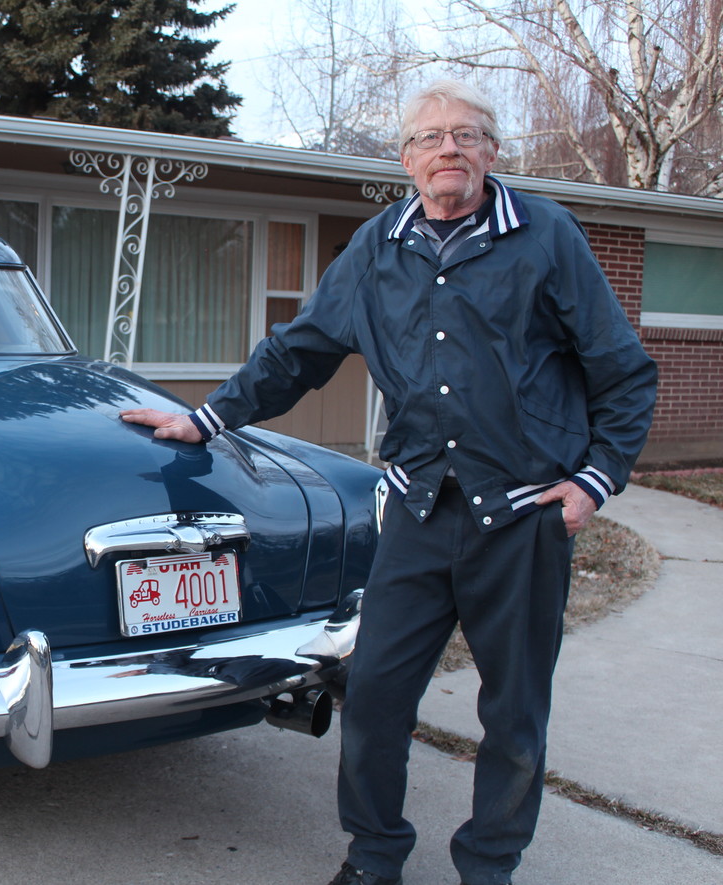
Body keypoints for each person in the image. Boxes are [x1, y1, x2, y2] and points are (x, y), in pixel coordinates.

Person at [120, 79, 657, 885]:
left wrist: (593, 480)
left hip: (522, 514)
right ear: (405, 159)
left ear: (492, 151)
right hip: (417, 508)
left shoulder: (547, 236)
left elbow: (624, 372)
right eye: (432, 137)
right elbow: (300, 349)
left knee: (513, 711)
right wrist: (206, 420)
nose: (450, 149)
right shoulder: (377, 246)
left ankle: (489, 865)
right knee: (373, 695)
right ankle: (375, 856)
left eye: (468, 135)